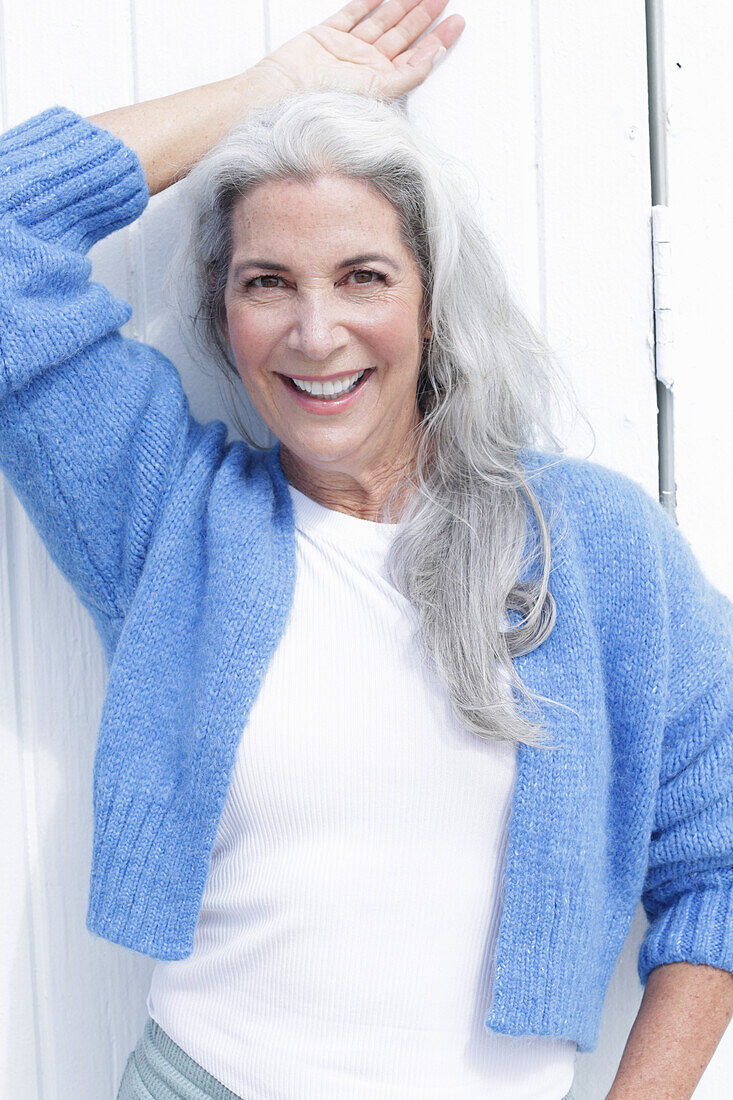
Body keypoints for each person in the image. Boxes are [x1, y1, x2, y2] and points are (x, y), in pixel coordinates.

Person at [1, 1, 732, 1098]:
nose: (314, 331)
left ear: (432, 303)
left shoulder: (593, 544)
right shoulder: (170, 517)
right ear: (221, 313)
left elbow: (718, 857)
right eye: (266, 282)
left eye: (362, 276)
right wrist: (271, 93)